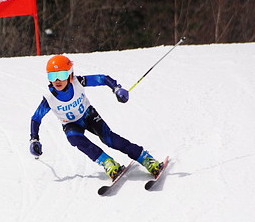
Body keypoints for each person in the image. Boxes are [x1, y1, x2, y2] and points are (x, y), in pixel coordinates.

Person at [29, 54, 163, 179]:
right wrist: (34, 139)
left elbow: (103, 79)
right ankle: (108, 163)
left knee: (109, 139)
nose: (57, 80)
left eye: (61, 74)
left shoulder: (78, 82)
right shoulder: (49, 98)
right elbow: (36, 118)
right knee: (74, 139)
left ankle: (145, 158)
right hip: (71, 124)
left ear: (70, 74)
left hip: (88, 115)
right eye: (52, 76)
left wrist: (116, 88)